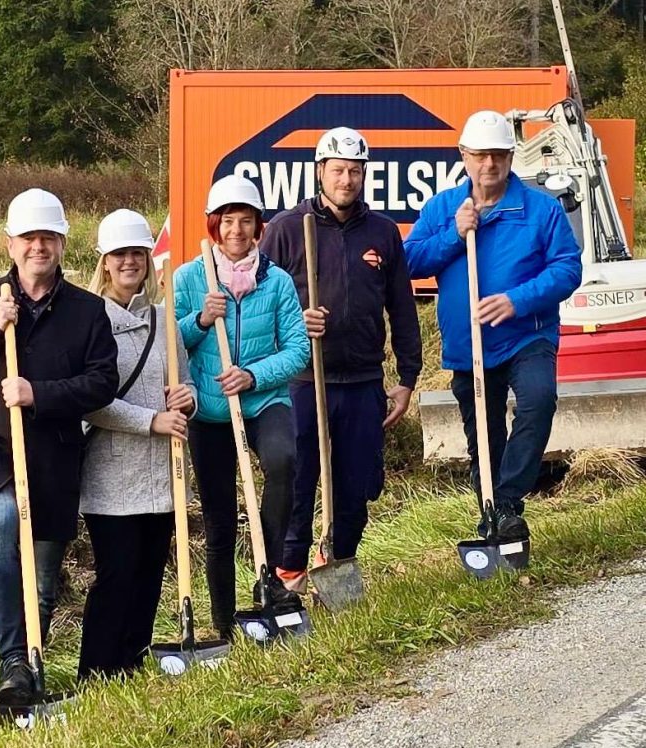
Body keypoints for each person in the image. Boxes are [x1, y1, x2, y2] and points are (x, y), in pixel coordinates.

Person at [0, 188, 118, 705]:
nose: (39, 246)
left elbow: (102, 383)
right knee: (4, 521)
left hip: (54, 452)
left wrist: (40, 394)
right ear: (10, 244)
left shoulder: (87, 311)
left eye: (49, 237)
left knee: (45, 572)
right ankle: (12, 658)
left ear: (61, 244)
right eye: (29, 237)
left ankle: (31, 664)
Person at [258, 127, 422, 593]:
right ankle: (288, 572)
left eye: (354, 171)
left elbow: (402, 308)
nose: (346, 179)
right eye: (337, 170)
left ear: (364, 174)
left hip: (363, 379)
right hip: (304, 380)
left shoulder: (383, 233)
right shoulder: (288, 230)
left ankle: (340, 559)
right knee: (299, 477)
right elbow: (258, 307)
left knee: (357, 485)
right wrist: (294, 321)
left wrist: (408, 376)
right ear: (319, 172)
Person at [405, 110, 582, 541]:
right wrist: (452, 233)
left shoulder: (541, 210)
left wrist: (516, 301)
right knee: (483, 434)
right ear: (464, 156)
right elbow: (407, 262)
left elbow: (567, 268)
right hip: (470, 345)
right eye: (481, 155)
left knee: (539, 403)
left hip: (528, 335)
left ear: (510, 157)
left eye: (499, 155)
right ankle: (495, 515)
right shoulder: (443, 208)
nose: (490, 164)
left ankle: (504, 500)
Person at [173, 174, 310, 640]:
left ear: (258, 227)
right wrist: (198, 320)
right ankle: (223, 622)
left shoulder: (277, 282)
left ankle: (269, 575)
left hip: (262, 401)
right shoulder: (190, 278)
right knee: (218, 514)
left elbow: (297, 350)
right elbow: (169, 345)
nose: (236, 231)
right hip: (209, 412)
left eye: (245, 221)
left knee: (284, 460)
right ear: (214, 226)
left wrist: (253, 375)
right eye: (227, 221)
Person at [77, 209, 197, 679]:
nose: (130, 262)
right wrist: (153, 421)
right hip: (112, 475)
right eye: (120, 254)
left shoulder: (166, 321)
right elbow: (90, 402)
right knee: (117, 575)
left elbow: (182, 385)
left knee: (149, 575)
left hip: (163, 473)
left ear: (149, 259)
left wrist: (185, 400)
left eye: (137, 254)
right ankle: (96, 672)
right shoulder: (89, 323)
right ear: (105, 262)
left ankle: (132, 664)